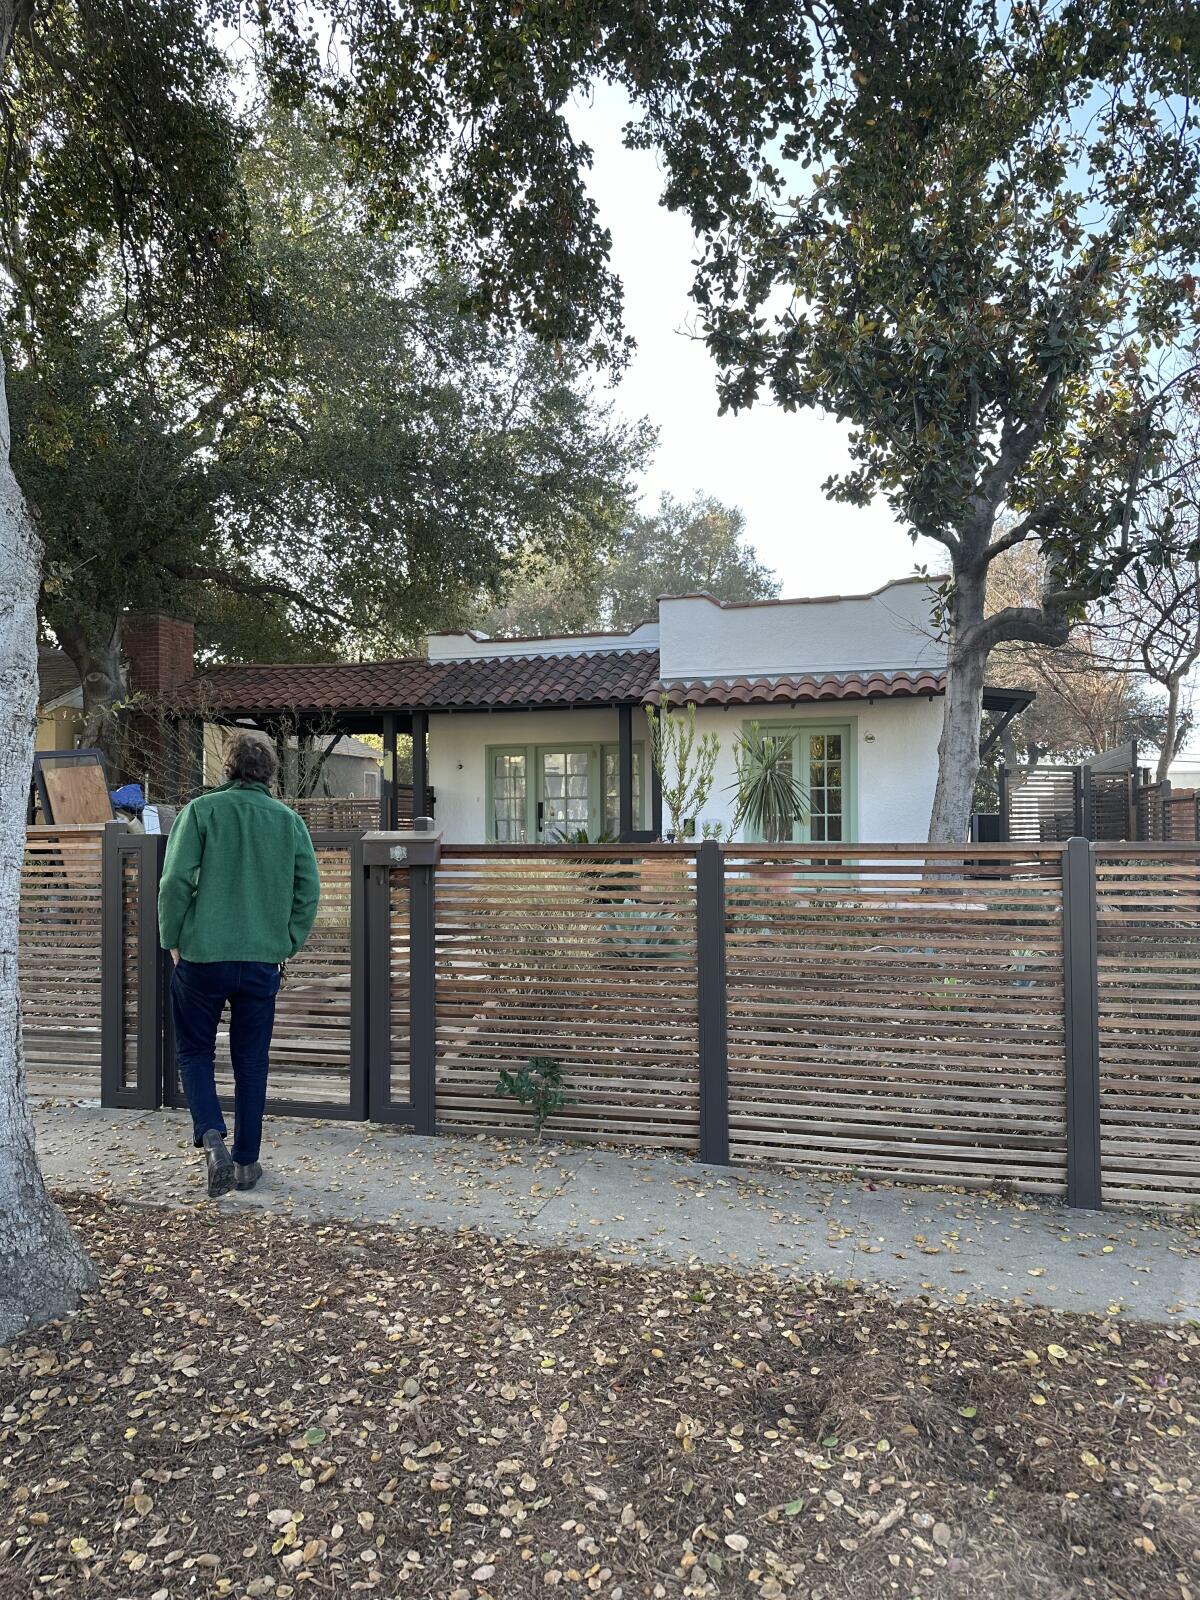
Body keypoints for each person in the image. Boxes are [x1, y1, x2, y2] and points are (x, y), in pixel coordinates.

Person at [158, 733, 321, 1197]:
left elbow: (174, 882)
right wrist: (287, 941)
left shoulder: (201, 812)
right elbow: (307, 891)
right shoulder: (288, 821)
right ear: (269, 772)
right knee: (251, 1061)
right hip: (260, 960)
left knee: (194, 1053)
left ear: (227, 769)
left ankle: (212, 1139)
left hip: (202, 955)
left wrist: (172, 938)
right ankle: (248, 1164)